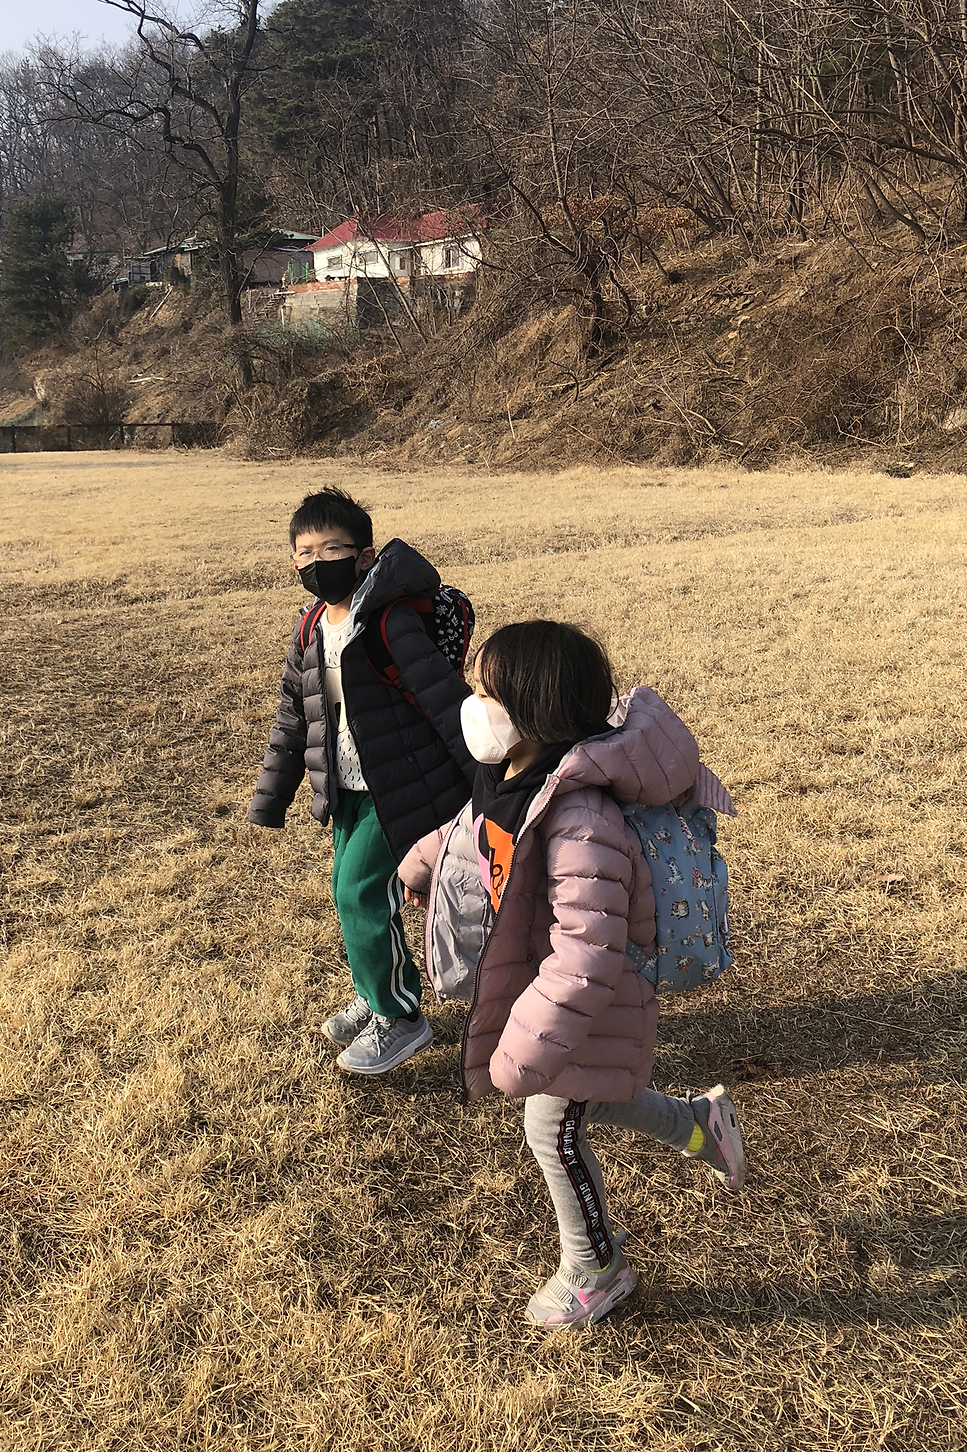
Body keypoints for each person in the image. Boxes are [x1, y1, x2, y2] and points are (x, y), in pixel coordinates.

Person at [399, 619, 745, 1328]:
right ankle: (698, 1125)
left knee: (551, 1125)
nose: (471, 705)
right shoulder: (510, 775)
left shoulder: (581, 817)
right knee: (591, 1096)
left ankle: (596, 1270)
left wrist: (528, 1044)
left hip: (587, 1001)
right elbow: (472, 829)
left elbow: (588, 952)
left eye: (485, 693)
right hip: (543, 985)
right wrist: (422, 861)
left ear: (536, 709)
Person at [248, 487, 476, 1075]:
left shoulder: (390, 622)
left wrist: (488, 782)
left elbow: (444, 700)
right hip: (344, 787)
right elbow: (295, 715)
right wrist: (272, 796)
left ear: (365, 555)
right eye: (305, 552)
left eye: (332, 549)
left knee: (359, 893)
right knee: (349, 893)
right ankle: (377, 992)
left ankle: (399, 1017)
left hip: (397, 789)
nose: (317, 562)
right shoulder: (310, 627)